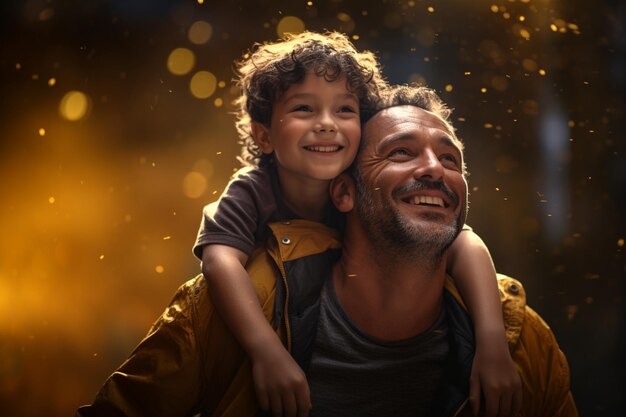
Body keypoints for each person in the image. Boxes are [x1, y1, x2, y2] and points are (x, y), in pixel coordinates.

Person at [76, 84, 578, 417]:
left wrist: (493, 341)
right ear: (343, 193)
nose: (435, 169)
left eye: (450, 158)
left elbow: (467, 242)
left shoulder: (521, 341)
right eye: (402, 152)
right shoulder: (232, 308)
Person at [192, 31, 518, 417]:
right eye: (304, 109)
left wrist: (493, 343)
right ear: (264, 135)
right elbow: (218, 261)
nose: (327, 124)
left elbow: (463, 241)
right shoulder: (252, 190)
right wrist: (267, 352)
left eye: (344, 110)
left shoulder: (366, 188)